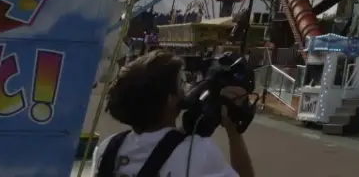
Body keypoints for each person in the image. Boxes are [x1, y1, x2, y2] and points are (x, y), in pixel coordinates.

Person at [91, 50, 254, 177]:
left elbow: (158, 146)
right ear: (170, 99)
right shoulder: (198, 152)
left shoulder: (107, 148)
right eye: (181, 83)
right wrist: (233, 131)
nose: (187, 91)